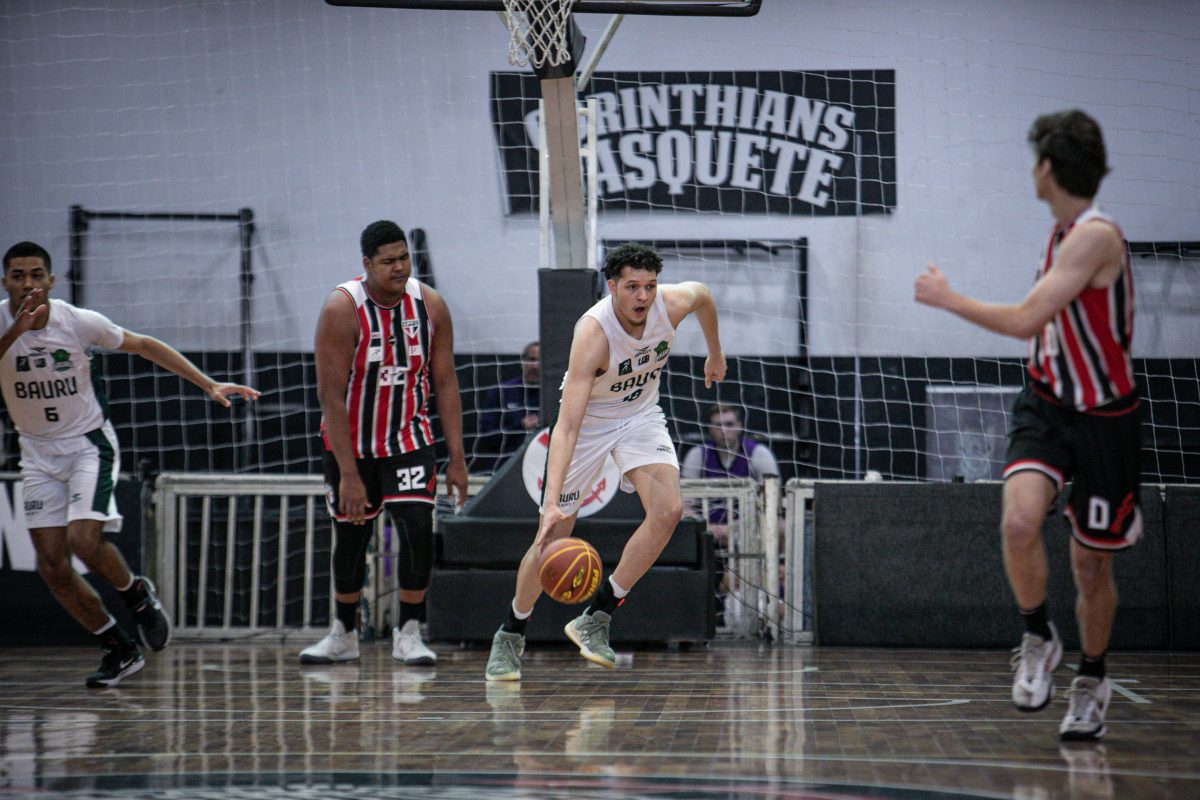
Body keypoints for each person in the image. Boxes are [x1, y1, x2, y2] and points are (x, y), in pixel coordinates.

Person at [915, 109, 1140, 742]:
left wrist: (947, 297)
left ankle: (1092, 678)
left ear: (1047, 168)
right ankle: (1038, 634)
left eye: (1034, 159)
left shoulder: (1095, 236)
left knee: (1091, 567)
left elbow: (1024, 321)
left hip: (1105, 419)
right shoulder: (1061, 232)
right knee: (1017, 522)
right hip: (1046, 403)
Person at [0, 241, 261, 688]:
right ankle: (118, 648)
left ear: (51, 281)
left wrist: (207, 383)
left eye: (37, 275)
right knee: (52, 567)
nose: (29, 284)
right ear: (5, 281)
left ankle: (136, 593)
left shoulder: (76, 321)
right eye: (19, 276)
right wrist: (16, 332)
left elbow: (143, 345)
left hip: (87, 445)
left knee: (84, 541)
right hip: (37, 453)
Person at [485, 242, 725, 681]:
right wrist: (551, 502)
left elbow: (705, 297)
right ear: (612, 287)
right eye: (632, 287)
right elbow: (566, 427)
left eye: (649, 286)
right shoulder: (593, 333)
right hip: (589, 424)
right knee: (553, 535)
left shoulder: (671, 304)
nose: (642, 296)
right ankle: (510, 632)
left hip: (639, 415)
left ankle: (596, 617)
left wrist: (715, 352)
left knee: (669, 511)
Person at [301, 220, 467, 668]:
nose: (399, 267)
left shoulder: (430, 305)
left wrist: (457, 458)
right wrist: (349, 474)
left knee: (417, 530)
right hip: (351, 446)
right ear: (367, 264)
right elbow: (330, 396)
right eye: (388, 261)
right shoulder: (342, 308)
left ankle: (409, 632)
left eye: (404, 258)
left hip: (409, 438)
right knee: (351, 536)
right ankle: (343, 633)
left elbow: (445, 382)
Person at [680, 403, 780, 544]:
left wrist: (732, 528)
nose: (724, 430)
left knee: (780, 525)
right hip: (704, 531)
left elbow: (772, 502)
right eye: (718, 425)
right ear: (710, 428)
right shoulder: (698, 455)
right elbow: (684, 504)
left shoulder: (759, 454)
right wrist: (706, 527)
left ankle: (777, 559)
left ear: (739, 426)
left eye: (729, 424)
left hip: (748, 529)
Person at [476, 341, 540, 469]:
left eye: (540, 360)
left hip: (541, 468)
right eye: (531, 360)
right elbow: (486, 438)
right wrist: (520, 426)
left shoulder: (555, 395)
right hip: (503, 468)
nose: (535, 366)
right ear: (522, 361)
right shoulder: (500, 392)